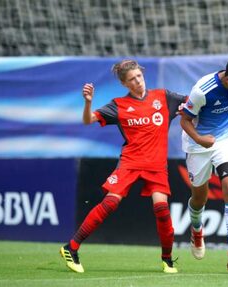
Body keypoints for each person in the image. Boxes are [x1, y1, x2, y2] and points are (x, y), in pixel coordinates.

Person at [60, 59, 187, 274]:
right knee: (110, 203)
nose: (138, 81)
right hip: (130, 162)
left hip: (156, 166)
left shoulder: (164, 97)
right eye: (132, 79)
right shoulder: (118, 105)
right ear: (125, 84)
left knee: (162, 209)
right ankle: (71, 247)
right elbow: (87, 120)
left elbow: (193, 103)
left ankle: (167, 259)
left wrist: (194, 108)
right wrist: (88, 102)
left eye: (139, 76)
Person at [180, 57, 228, 272]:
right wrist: (200, 140)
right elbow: (184, 120)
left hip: (226, 139)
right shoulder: (202, 90)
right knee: (199, 197)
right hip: (198, 144)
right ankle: (196, 228)